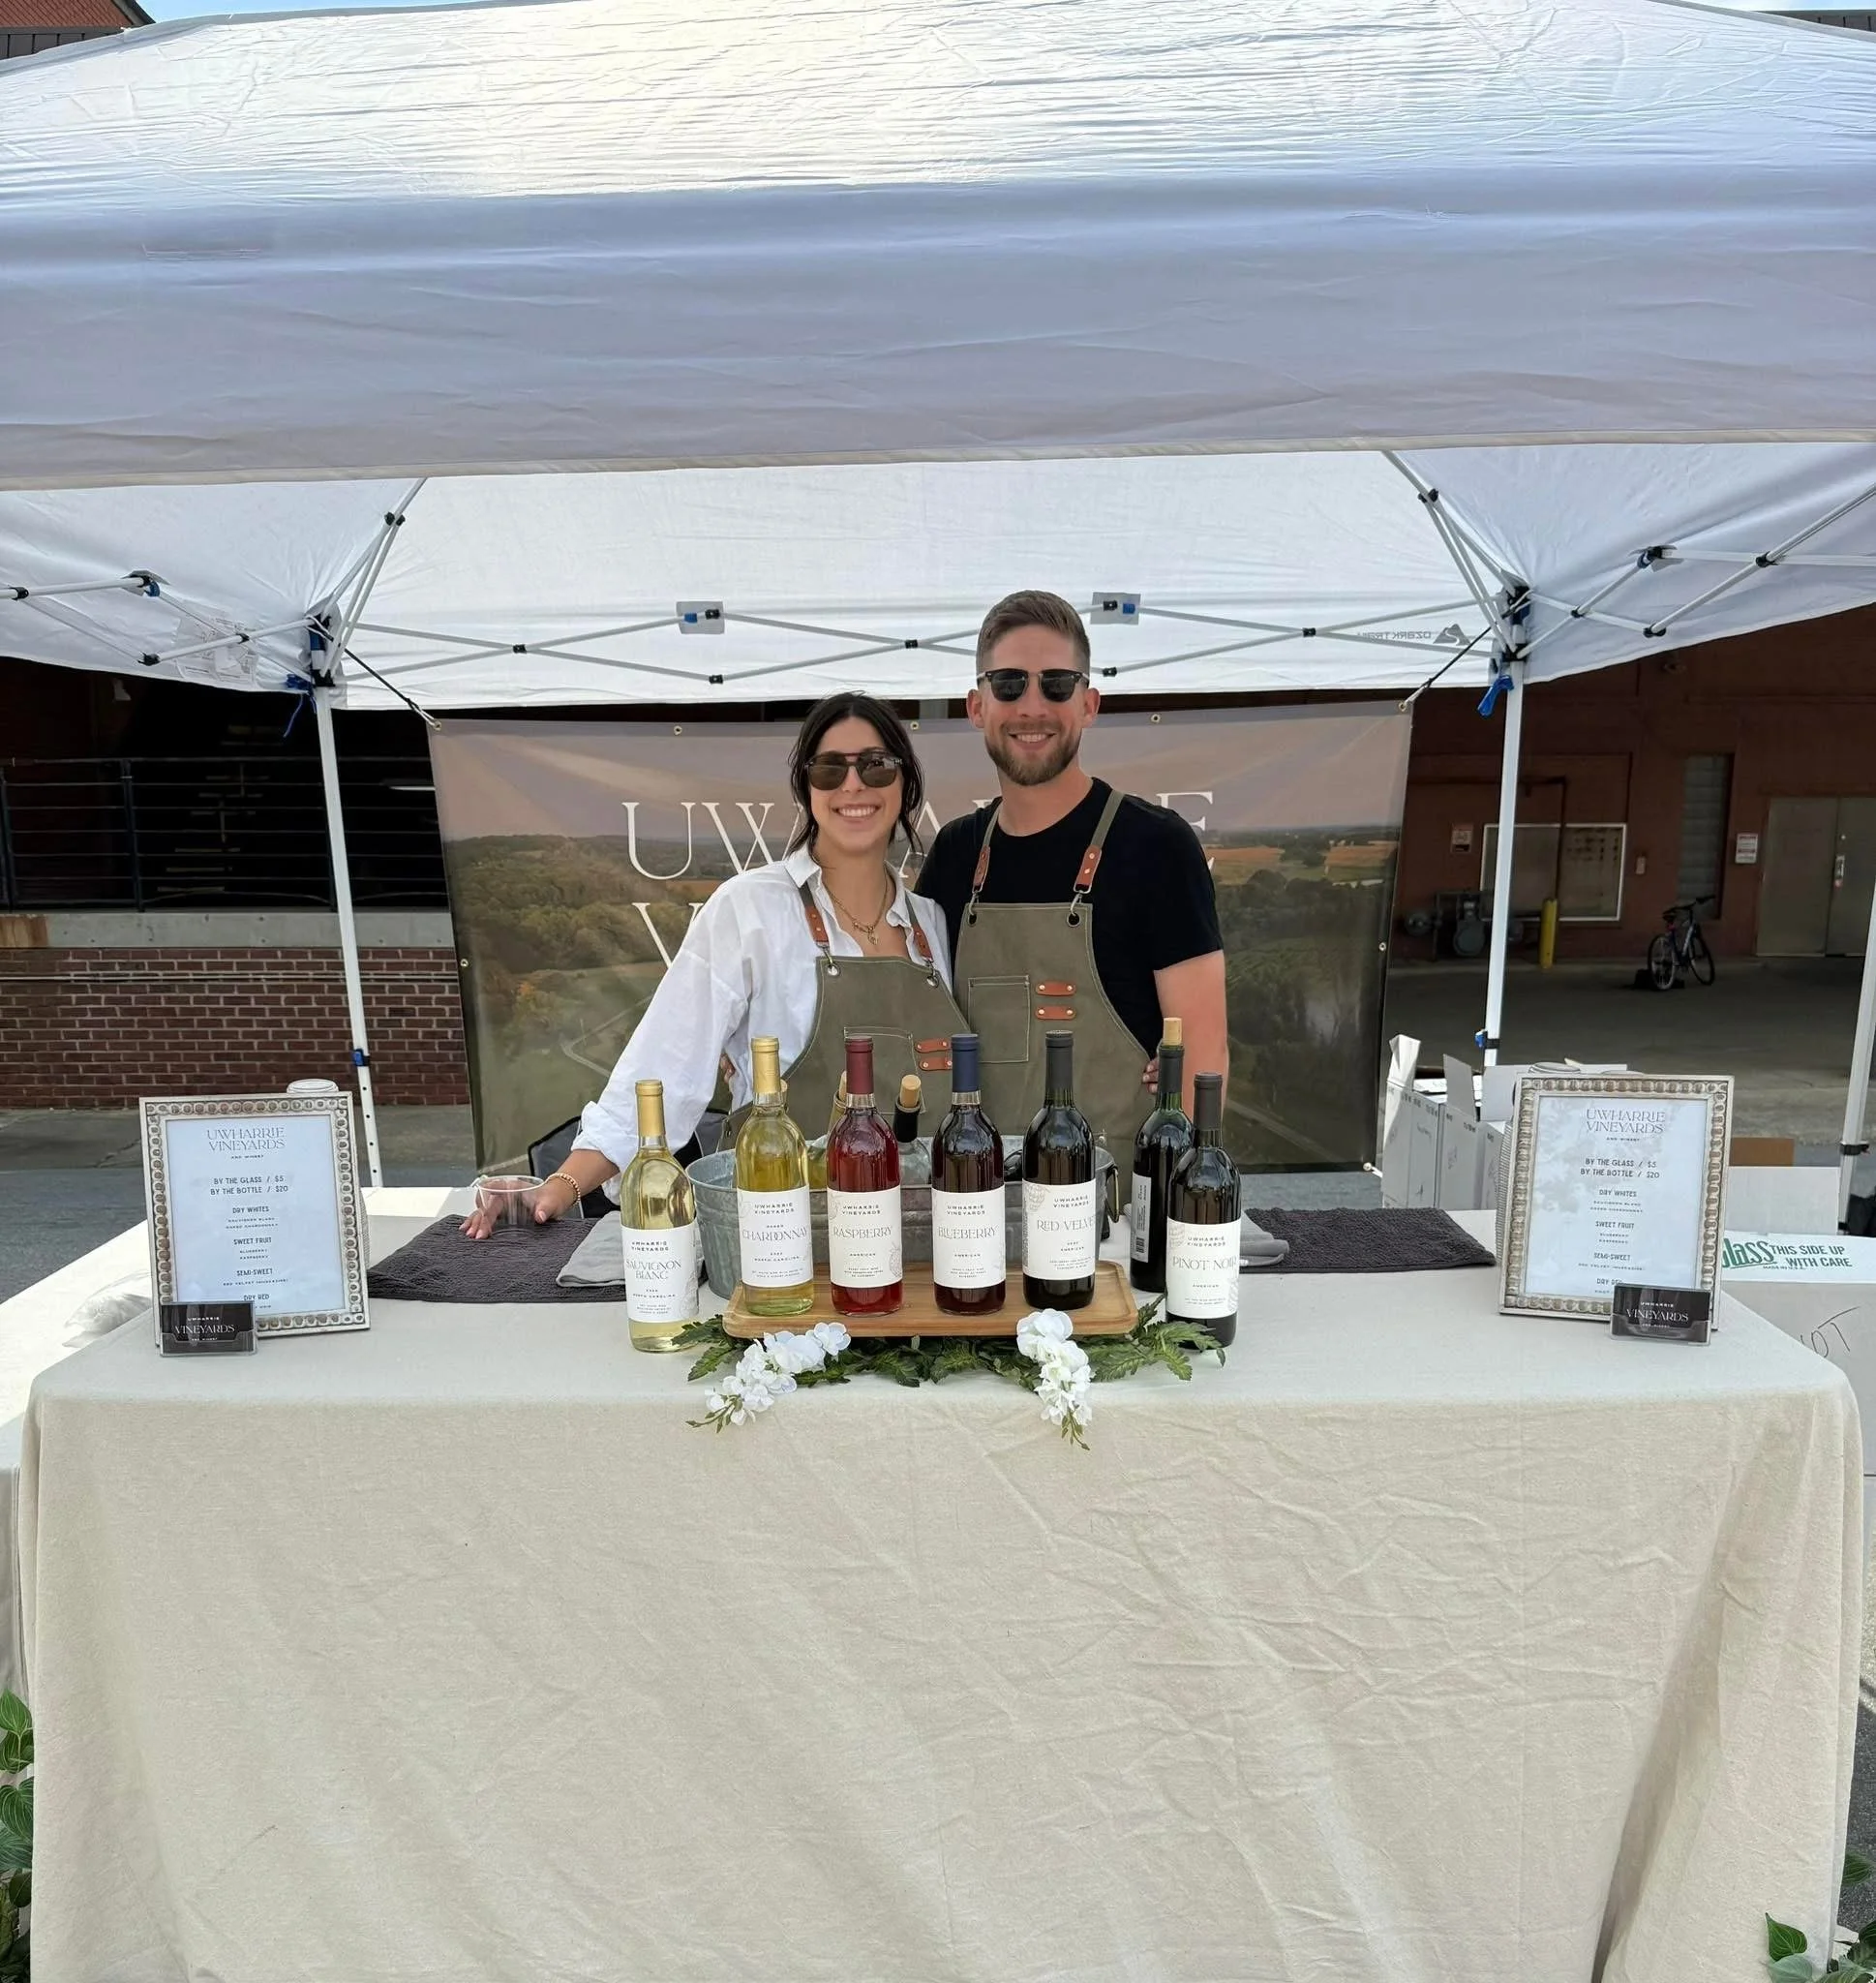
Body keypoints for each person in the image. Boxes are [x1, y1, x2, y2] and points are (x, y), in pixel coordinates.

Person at [464, 692, 966, 1235]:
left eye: (876, 765)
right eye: (828, 768)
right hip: (784, 1237)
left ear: (905, 782)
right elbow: (665, 1064)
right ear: (805, 786)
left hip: (923, 1238)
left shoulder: (931, 924)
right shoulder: (748, 909)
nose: (853, 785)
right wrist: (559, 1188)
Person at [917, 589, 1227, 1154]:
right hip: (979, 1206)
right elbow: (913, 1020)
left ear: (1089, 703)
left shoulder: (1158, 847)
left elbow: (1203, 1058)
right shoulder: (954, 856)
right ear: (976, 706)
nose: (1032, 706)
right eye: (1009, 683)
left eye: (1056, 683)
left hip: (1120, 1215)